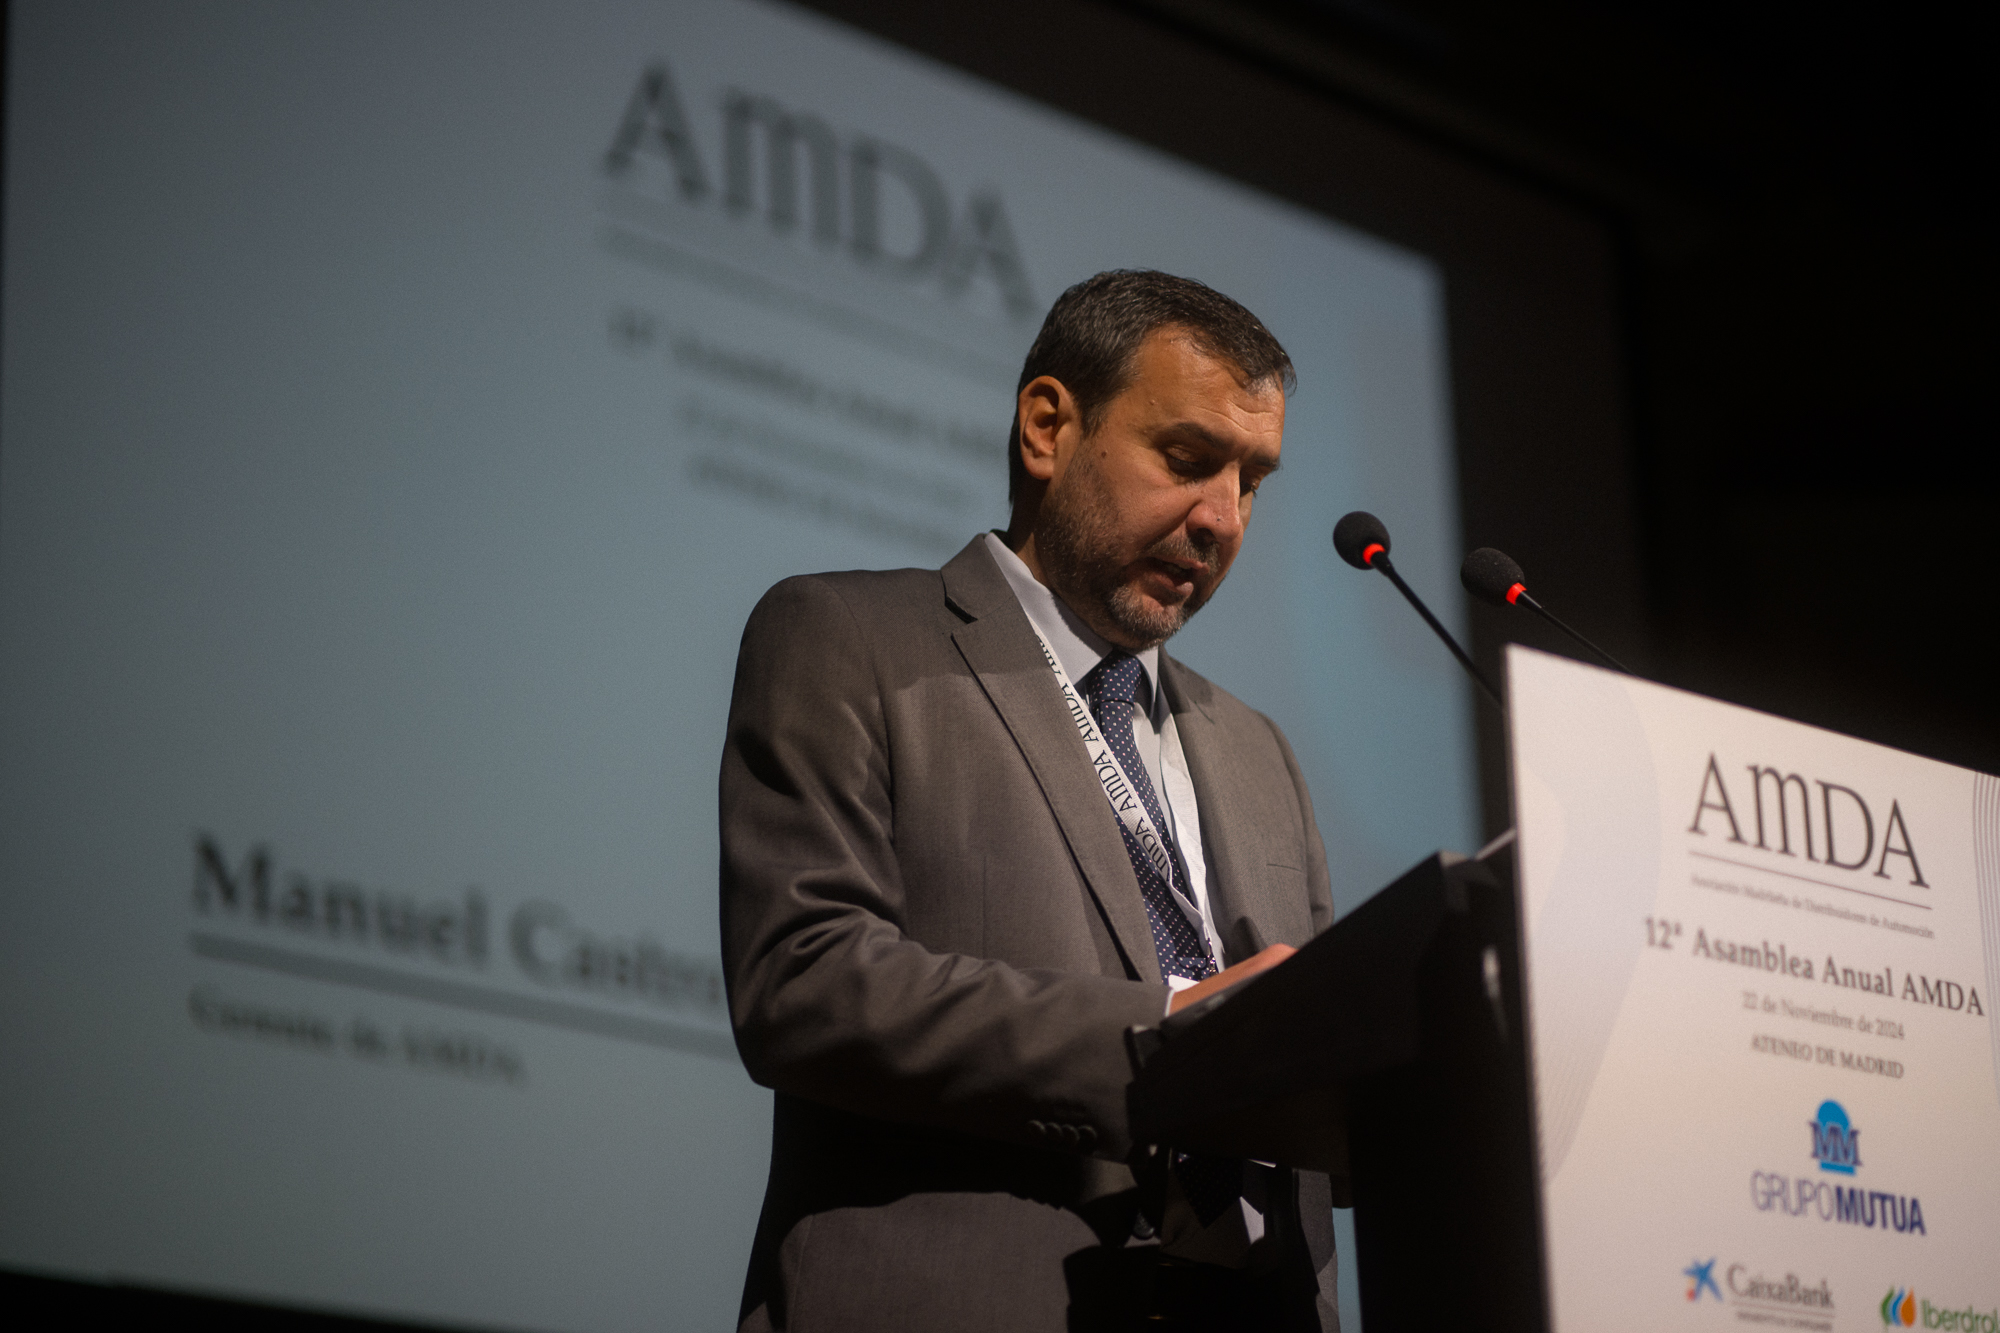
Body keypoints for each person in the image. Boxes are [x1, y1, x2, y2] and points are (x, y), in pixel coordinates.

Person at [720, 270, 1339, 1331]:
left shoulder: (1259, 751)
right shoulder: (850, 639)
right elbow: (802, 982)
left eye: (1252, 481)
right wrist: (1161, 1034)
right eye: (1187, 459)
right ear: (1048, 428)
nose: (1222, 519)